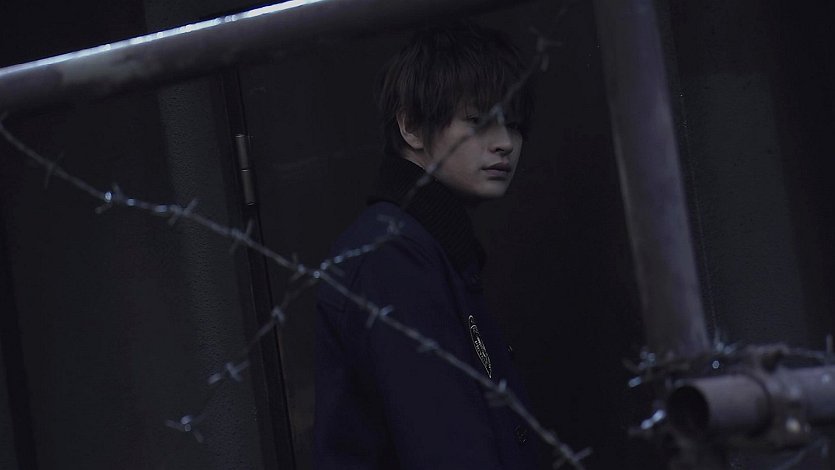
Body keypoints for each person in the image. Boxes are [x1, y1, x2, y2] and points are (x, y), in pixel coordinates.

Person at [315, 21, 539, 469]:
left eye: (514, 126)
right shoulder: (392, 255)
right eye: (479, 122)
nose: (504, 144)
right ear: (412, 126)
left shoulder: (424, 244)